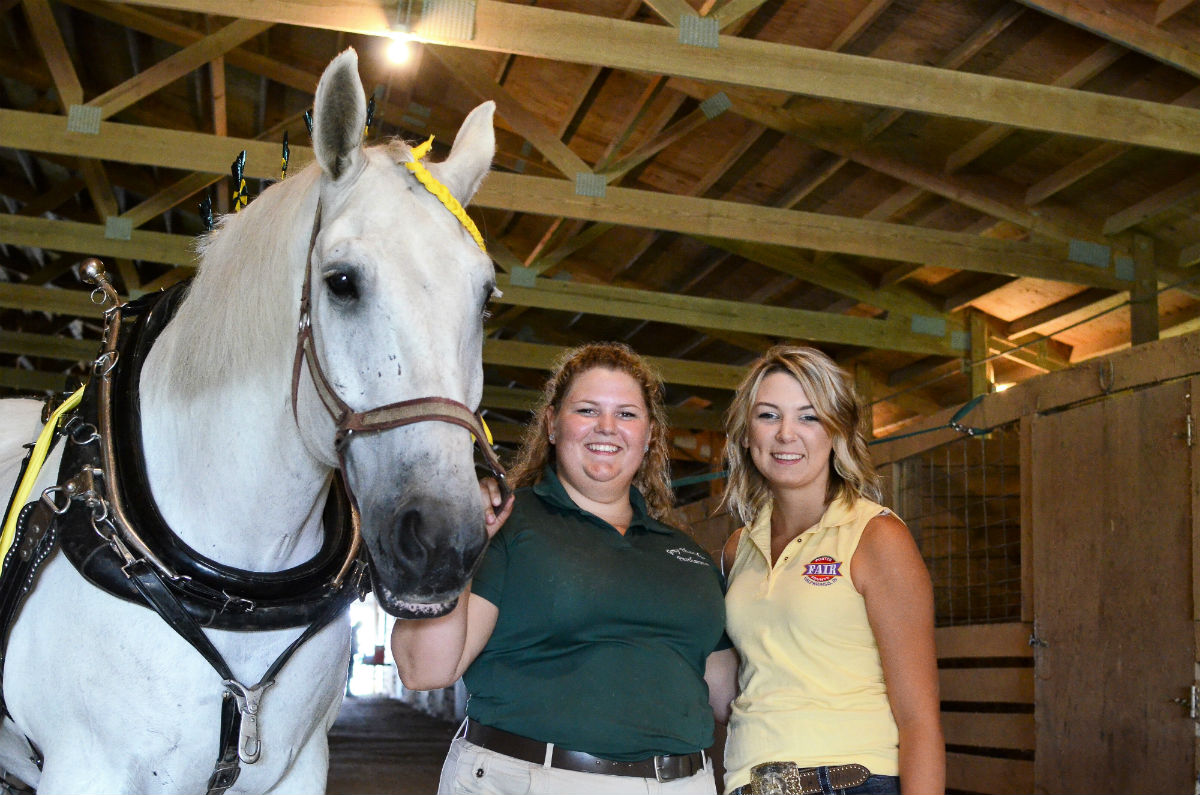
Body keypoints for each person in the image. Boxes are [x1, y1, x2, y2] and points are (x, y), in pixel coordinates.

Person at [392, 341, 737, 795]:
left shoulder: (684, 552)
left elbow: (732, 698)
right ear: (552, 424)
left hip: (682, 784)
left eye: (627, 414)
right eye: (588, 410)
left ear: (650, 434)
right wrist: (459, 545)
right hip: (533, 778)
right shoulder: (506, 524)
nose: (607, 428)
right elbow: (424, 670)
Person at [716, 345, 943, 795]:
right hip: (749, 784)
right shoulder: (737, 549)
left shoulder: (875, 537)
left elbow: (919, 719)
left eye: (808, 416)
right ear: (746, 434)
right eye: (768, 416)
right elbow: (732, 690)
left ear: (836, 431)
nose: (786, 434)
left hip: (846, 780)